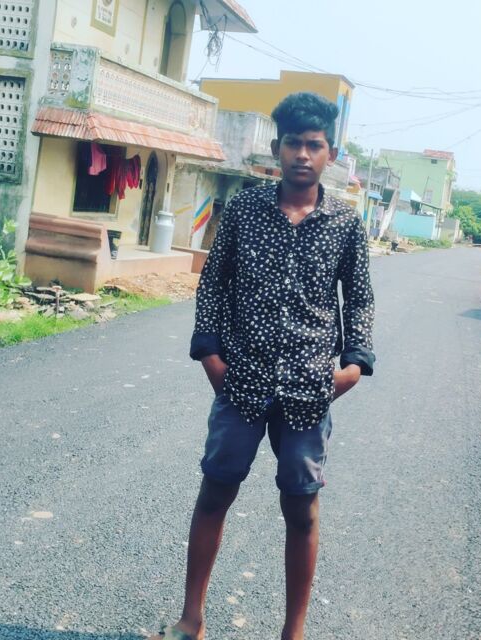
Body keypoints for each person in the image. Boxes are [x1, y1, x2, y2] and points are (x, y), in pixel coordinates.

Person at [151, 92, 375, 640]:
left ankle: (292, 632)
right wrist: (209, 354)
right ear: (277, 149)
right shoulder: (244, 210)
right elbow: (213, 283)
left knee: (301, 508)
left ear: (330, 154)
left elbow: (359, 298)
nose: (303, 154)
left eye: (314, 145)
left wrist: (354, 365)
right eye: (293, 143)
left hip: (309, 387)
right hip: (241, 380)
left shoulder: (346, 223)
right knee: (215, 492)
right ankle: (191, 620)